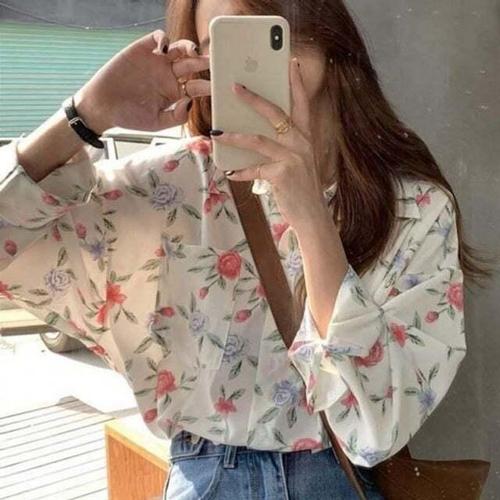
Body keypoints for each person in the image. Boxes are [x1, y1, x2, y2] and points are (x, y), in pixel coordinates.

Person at [0, 0, 494, 498]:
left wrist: (309, 215)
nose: (251, 57)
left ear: (324, 32)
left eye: (266, 27)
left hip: (337, 477)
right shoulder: (174, 183)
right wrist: (84, 115)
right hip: (208, 476)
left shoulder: (414, 207)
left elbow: (380, 428)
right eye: (221, 46)